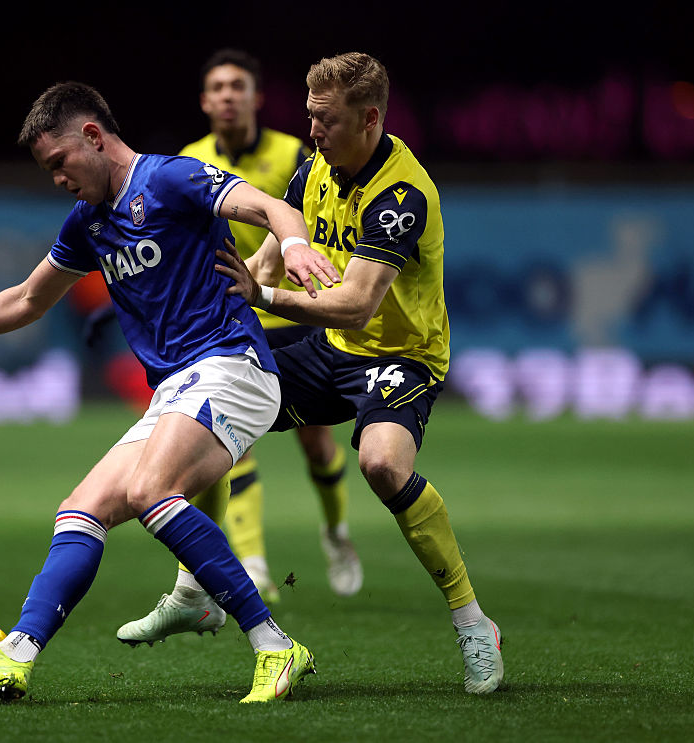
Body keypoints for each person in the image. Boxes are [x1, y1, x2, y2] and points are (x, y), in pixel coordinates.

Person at [0, 81, 339, 703]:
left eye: (59, 163)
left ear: (93, 136)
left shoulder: (170, 180)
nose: (58, 180)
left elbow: (271, 210)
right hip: (178, 387)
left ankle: (275, 645)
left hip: (235, 365)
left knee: (152, 490)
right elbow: (25, 300)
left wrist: (298, 246)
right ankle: (16, 654)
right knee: (82, 507)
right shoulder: (88, 222)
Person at [211, 52, 505, 694]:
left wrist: (264, 302)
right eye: (309, 118)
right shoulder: (315, 166)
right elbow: (264, 263)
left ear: (369, 119)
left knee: (382, 465)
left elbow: (357, 301)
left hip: (402, 355)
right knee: (212, 415)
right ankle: (194, 590)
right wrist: (221, 325)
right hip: (335, 347)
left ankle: (473, 621)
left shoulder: (402, 194)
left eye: (325, 121)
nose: (311, 133)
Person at [145, 50, 363, 612]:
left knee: (317, 442)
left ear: (255, 97)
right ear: (204, 101)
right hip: (221, 319)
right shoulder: (185, 161)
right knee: (227, 438)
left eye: (237, 86)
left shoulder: (296, 152)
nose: (226, 96)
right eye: (216, 87)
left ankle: (336, 532)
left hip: (285, 308)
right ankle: (253, 562)